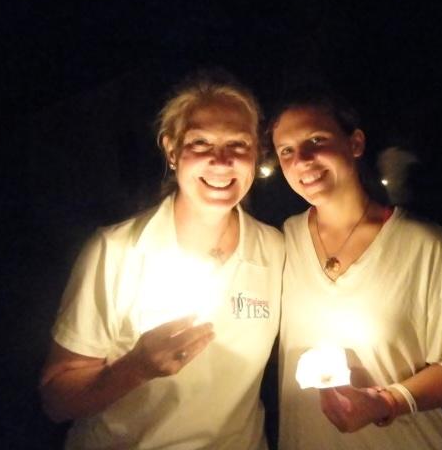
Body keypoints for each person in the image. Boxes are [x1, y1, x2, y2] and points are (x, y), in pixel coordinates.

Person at [40, 70, 284, 450]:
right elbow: (56, 399)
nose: (221, 162)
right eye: (200, 143)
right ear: (171, 151)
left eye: (238, 145)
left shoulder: (275, 251)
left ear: (256, 153)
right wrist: (136, 367)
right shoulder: (117, 251)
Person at [269, 92, 442, 449]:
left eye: (316, 140)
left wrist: (386, 402)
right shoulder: (285, 240)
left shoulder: (423, 244)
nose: (302, 160)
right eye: (286, 150)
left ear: (355, 143)